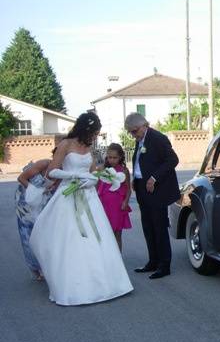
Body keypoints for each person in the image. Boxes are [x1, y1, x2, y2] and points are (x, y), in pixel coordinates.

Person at [29, 112, 133, 306]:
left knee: (96, 237)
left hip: (88, 196)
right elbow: (52, 171)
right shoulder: (66, 144)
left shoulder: (88, 148)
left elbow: (92, 171)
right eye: (94, 133)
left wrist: (96, 178)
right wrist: (73, 177)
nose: (95, 138)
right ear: (86, 129)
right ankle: (74, 285)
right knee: (72, 239)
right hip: (69, 195)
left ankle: (105, 283)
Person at [125, 113, 180, 279]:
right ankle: (153, 261)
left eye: (134, 131)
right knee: (148, 227)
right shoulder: (140, 139)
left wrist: (154, 177)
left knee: (159, 227)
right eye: (131, 132)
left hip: (157, 189)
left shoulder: (157, 138)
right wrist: (136, 178)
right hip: (142, 188)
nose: (133, 135)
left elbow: (172, 160)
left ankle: (164, 265)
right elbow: (139, 161)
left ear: (144, 125)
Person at [15, 151, 57, 280]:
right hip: (25, 202)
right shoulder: (43, 164)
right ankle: (36, 268)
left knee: (43, 234)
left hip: (43, 202)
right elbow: (21, 178)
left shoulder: (61, 172)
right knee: (28, 235)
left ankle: (46, 266)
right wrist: (37, 191)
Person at [97, 143, 132, 252]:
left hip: (117, 206)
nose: (112, 160)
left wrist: (125, 202)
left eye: (115, 158)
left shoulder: (124, 171)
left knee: (117, 234)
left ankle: (118, 260)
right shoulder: (102, 168)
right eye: (109, 157)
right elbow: (97, 185)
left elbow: (128, 189)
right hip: (104, 205)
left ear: (121, 157)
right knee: (105, 233)